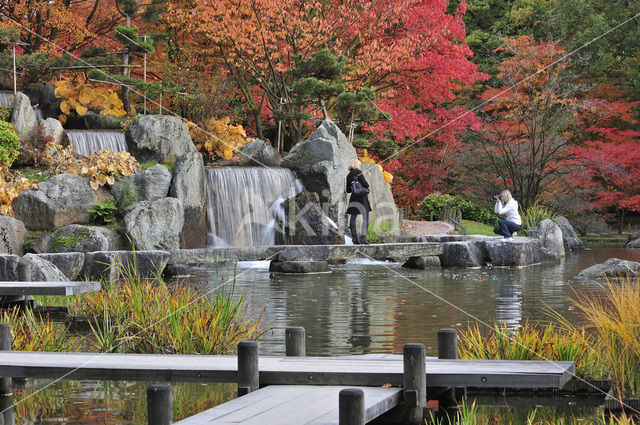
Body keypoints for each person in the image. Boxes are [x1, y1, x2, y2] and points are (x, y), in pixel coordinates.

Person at [346, 158, 371, 245]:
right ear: (357, 165)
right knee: (366, 218)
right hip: (362, 198)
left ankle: (355, 239)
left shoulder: (348, 176)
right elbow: (366, 184)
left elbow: (348, 190)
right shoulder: (358, 172)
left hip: (354, 198)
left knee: (353, 218)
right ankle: (363, 239)